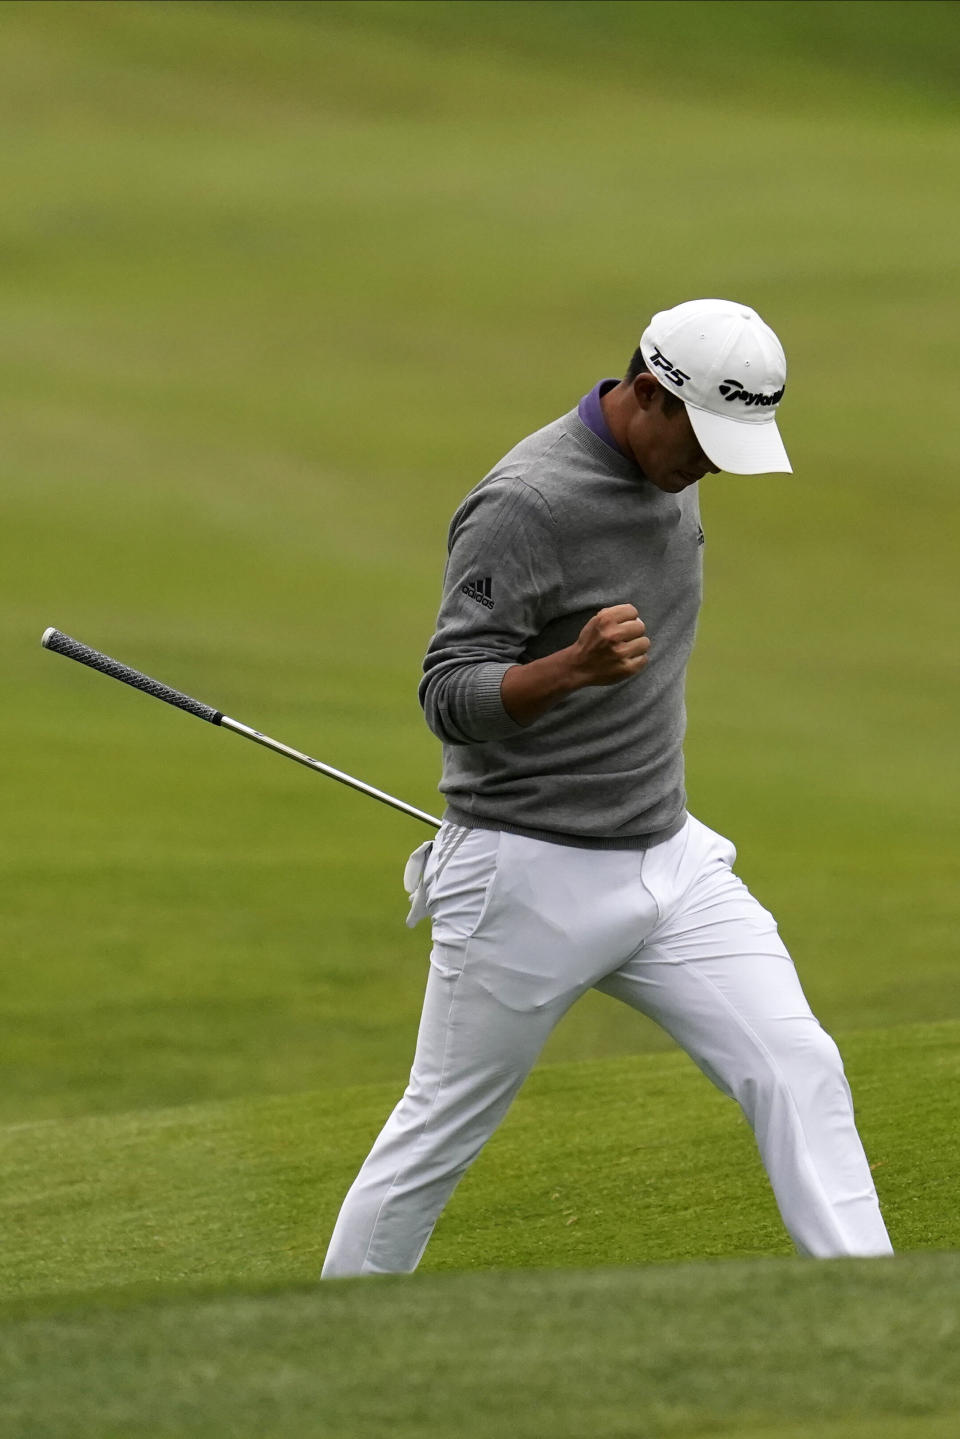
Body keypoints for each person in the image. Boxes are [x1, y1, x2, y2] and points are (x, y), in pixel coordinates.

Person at [321, 298, 892, 1277]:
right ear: (644, 396)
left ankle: (874, 1307)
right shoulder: (527, 502)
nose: (710, 467)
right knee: (435, 1139)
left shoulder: (671, 460)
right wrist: (567, 670)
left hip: (670, 857)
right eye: (705, 442)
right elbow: (448, 691)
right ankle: (326, 1357)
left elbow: (682, 480)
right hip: (525, 872)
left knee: (799, 1063)